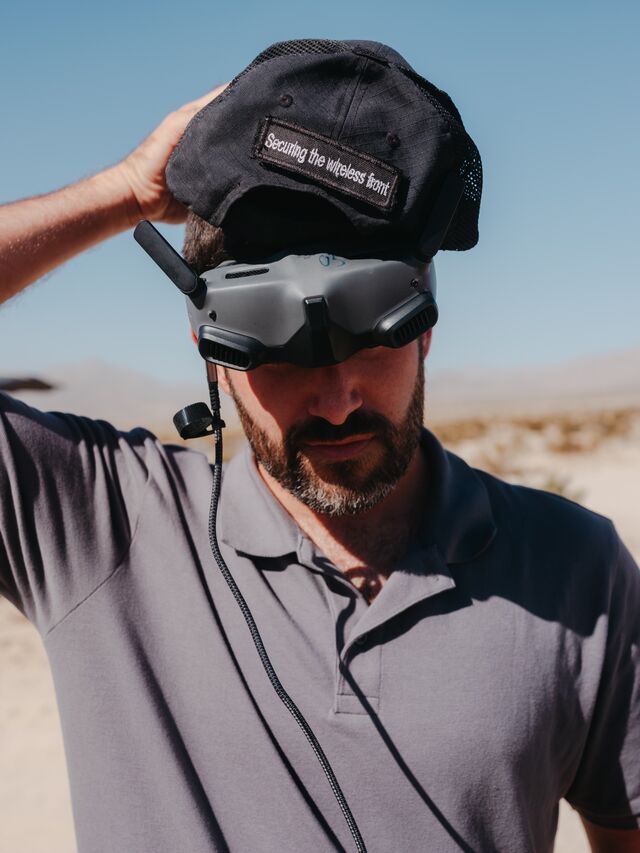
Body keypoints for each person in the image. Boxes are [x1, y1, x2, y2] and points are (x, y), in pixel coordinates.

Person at [1, 40, 639, 853]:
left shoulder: (574, 569)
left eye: (373, 335)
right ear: (210, 349)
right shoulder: (98, 528)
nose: (337, 399)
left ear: (427, 329)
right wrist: (121, 192)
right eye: (277, 347)